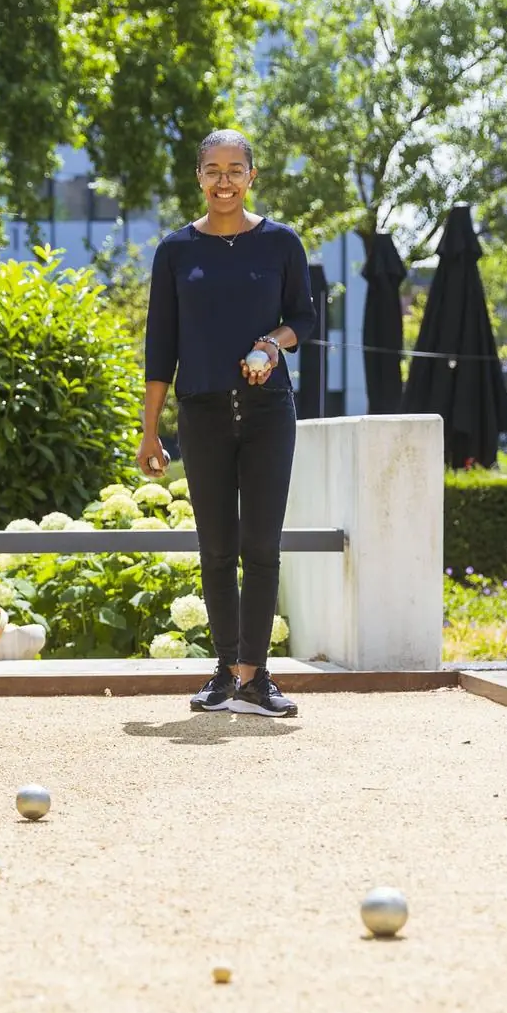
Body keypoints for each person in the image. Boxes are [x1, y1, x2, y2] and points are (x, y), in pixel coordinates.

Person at [137, 129, 317, 718]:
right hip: (202, 413)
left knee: (261, 546)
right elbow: (160, 346)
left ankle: (256, 676)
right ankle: (223, 671)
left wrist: (271, 343)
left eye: (234, 169)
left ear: (252, 175)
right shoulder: (176, 251)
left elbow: (304, 320)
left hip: (270, 414)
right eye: (212, 169)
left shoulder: (282, 243)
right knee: (215, 548)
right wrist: (149, 430)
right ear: (198, 177)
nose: (223, 180)